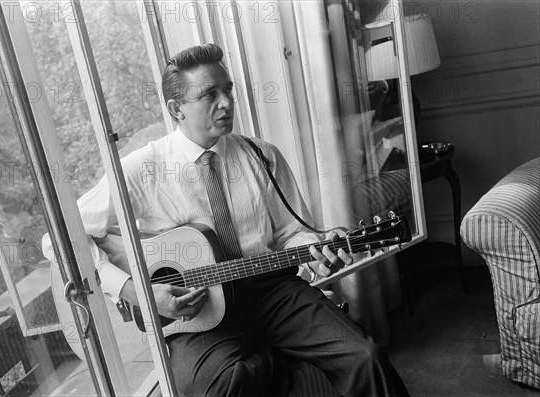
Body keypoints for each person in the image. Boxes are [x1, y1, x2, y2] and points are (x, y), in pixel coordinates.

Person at [44, 43, 409, 396]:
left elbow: (292, 233)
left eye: (228, 89)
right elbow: (58, 239)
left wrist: (319, 248)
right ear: (176, 108)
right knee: (209, 388)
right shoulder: (144, 169)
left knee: (367, 357)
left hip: (274, 292)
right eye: (209, 94)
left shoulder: (262, 155)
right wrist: (137, 293)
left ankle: (263, 357)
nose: (227, 102)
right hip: (197, 312)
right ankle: (267, 359)